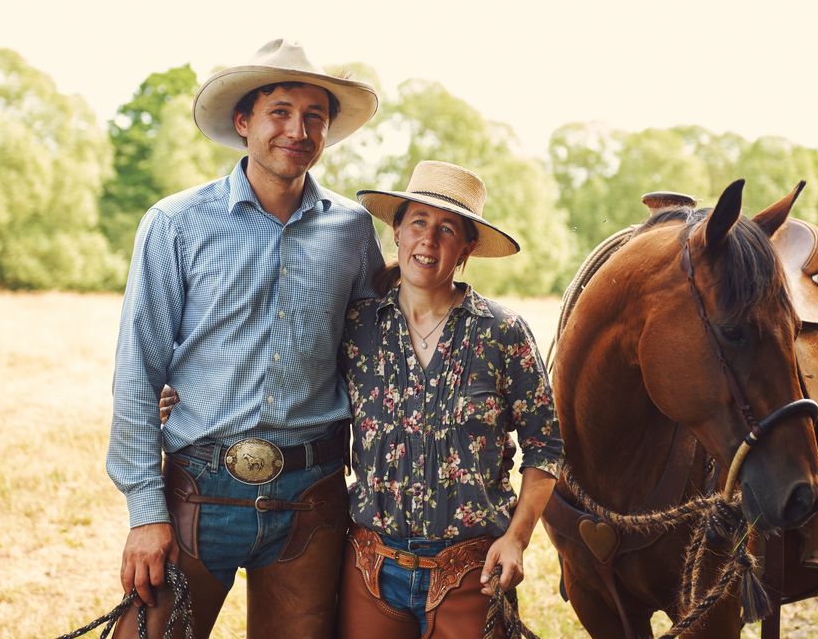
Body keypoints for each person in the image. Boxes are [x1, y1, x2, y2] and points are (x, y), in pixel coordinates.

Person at [106, 38, 385, 639]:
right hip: (196, 493)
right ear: (244, 122)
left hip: (311, 497)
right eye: (280, 111)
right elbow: (138, 372)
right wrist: (144, 514)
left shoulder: (352, 229)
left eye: (315, 116)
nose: (298, 129)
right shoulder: (174, 224)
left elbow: (371, 354)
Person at [337, 160, 564, 638]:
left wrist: (517, 539)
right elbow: (300, 396)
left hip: (471, 572)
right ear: (396, 231)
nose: (429, 239)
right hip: (370, 568)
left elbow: (546, 448)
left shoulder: (503, 334)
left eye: (448, 229)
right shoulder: (357, 328)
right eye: (418, 222)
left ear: (467, 248)